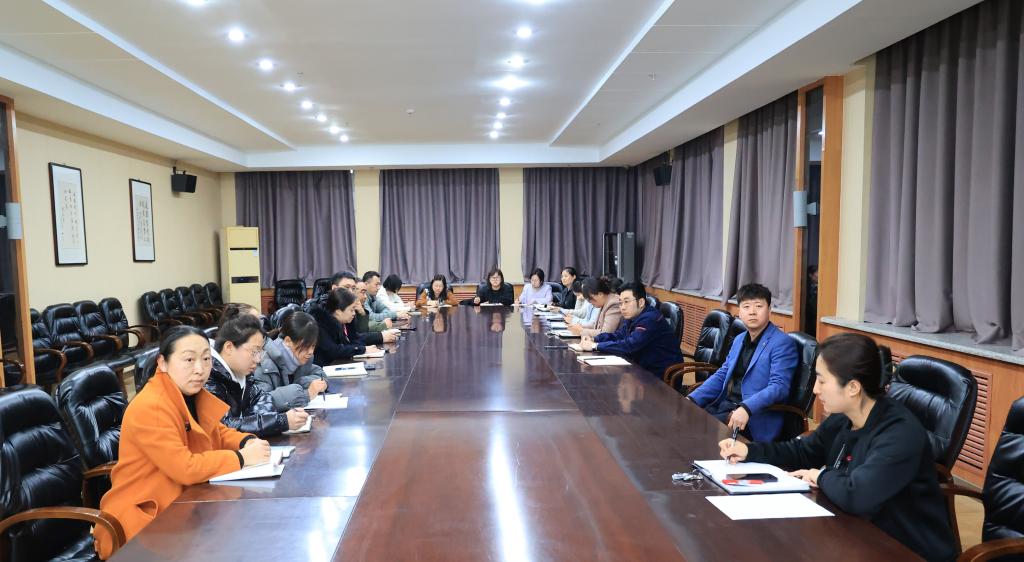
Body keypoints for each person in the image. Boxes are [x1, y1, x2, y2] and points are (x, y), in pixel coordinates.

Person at [719, 333, 956, 562]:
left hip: (905, 550)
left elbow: (857, 495)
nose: (815, 389)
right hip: (855, 532)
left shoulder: (899, 433)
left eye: (822, 381)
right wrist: (750, 451)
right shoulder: (845, 416)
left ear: (853, 387)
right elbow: (803, 452)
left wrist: (821, 476)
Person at [94, 326, 271, 559]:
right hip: (146, 518)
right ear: (163, 363)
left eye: (206, 359)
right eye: (188, 359)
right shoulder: (152, 406)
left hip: (184, 503)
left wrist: (246, 441)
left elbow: (217, 432)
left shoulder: (188, 394)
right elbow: (185, 468)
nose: (200, 369)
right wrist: (241, 458)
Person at [687, 283, 798, 442]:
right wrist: (693, 398)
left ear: (769, 310)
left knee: (698, 431)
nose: (752, 312)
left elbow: (779, 387)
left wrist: (746, 408)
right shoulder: (739, 339)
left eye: (758, 306)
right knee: (687, 419)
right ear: (739, 311)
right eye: (746, 306)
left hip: (753, 417)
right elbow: (722, 374)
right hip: (726, 406)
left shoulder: (782, 343)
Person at [206, 314, 308, 436]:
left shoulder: (241, 373)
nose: (258, 359)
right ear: (229, 347)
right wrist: (280, 421)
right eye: (254, 351)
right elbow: (223, 428)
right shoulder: (208, 378)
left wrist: (256, 422)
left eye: (260, 352)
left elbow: (262, 397)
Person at [576, 282, 683, 378]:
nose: (622, 307)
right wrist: (595, 339)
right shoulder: (633, 317)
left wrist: (595, 346)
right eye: (620, 303)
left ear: (641, 302)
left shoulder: (650, 319)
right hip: (641, 368)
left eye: (626, 302)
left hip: (660, 374)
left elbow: (630, 345)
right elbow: (618, 335)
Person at [252, 310, 330, 410]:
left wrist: (301, 382)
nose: (311, 352)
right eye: (306, 346)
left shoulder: (301, 359)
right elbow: (261, 402)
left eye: (313, 346)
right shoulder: (264, 364)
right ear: (288, 341)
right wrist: (305, 394)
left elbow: (320, 375)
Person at [310, 287, 381, 365]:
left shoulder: (344, 322)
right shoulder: (321, 325)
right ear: (338, 312)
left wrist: (364, 348)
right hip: (324, 368)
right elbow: (334, 351)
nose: (354, 313)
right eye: (351, 310)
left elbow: (353, 340)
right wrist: (363, 349)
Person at [353, 280, 399, 345]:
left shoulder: (373, 297)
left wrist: (363, 313)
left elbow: (385, 308)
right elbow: (371, 318)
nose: (378, 288)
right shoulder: (348, 310)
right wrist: (382, 327)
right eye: (376, 284)